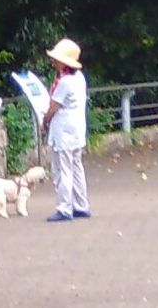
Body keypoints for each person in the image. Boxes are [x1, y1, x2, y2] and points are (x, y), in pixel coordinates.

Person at [41, 38, 91, 222]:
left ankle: (64, 208)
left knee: (63, 170)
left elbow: (53, 107)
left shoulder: (64, 82)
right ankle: (81, 205)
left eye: (57, 59)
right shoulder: (79, 78)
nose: (54, 62)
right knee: (76, 168)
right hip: (76, 129)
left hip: (63, 132)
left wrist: (45, 121)